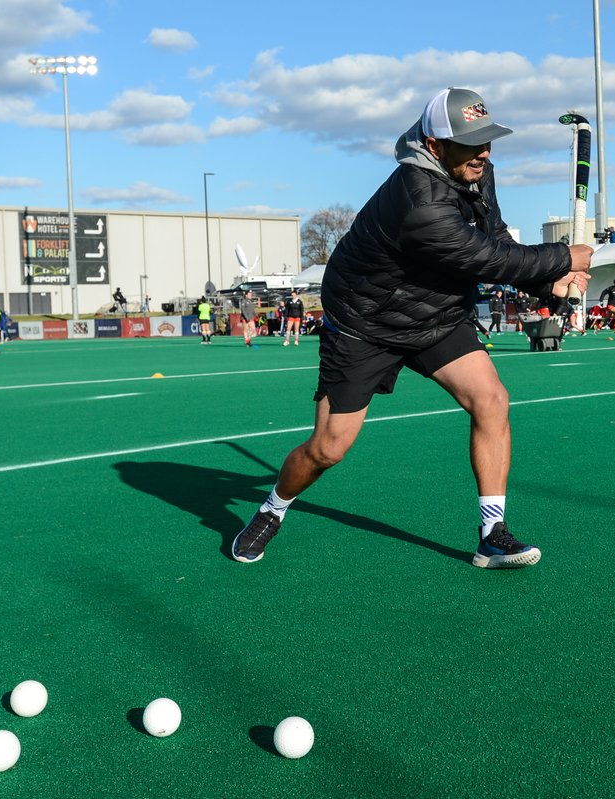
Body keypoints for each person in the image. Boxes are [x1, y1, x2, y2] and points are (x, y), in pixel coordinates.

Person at [232, 87, 592, 569]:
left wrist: (551, 285)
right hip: (366, 324)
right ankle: (272, 508)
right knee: (329, 448)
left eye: (487, 141)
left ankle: (491, 533)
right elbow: (483, 258)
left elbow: (496, 237)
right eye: (471, 144)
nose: (483, 152)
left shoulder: (477, 174)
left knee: (491, 400)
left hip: (436, 315)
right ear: (434, 144)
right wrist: (565, 257)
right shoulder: (416, 199)